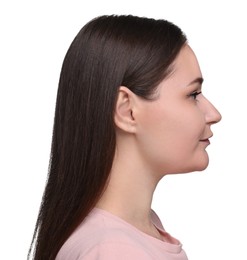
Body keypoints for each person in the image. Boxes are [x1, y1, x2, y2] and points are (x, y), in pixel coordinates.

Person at [28, 14, 221, 260]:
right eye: (193, 94)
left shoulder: (131, 234)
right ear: (127, 110)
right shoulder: (114, 250)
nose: (214, 114)